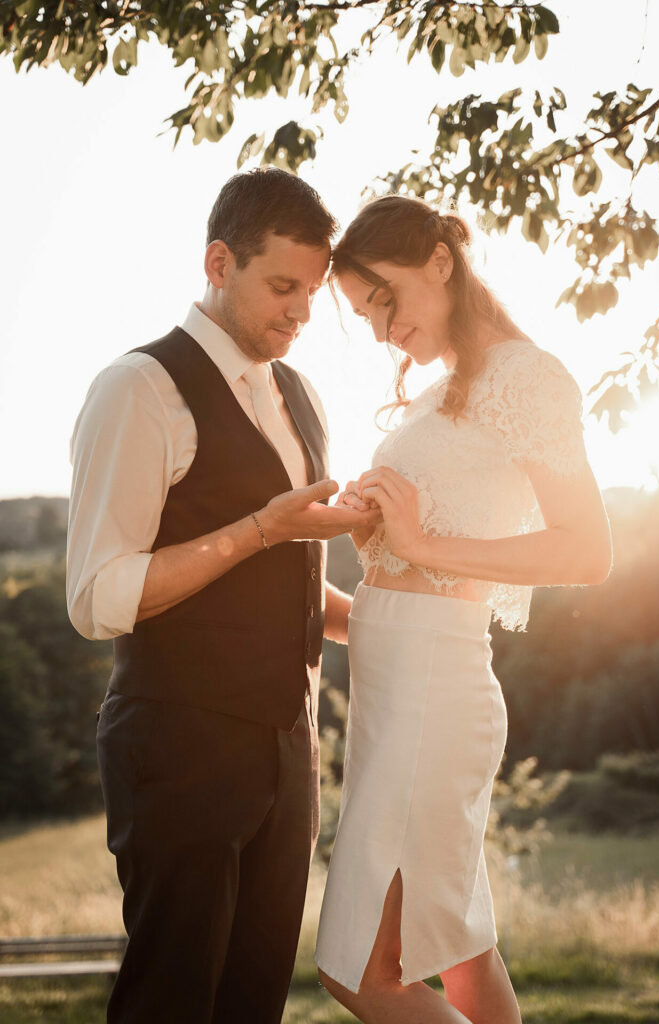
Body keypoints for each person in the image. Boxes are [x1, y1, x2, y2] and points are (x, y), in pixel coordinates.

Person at [66, 167, 377, 1024]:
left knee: (253, 1003)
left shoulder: (301, 398)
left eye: (312, 295)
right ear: (217, 262)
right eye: (282, 286)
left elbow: (293, 585)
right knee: (172, 1000)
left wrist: (398, 624)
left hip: (289, 751)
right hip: (178, 746)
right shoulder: (139, 389)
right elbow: (99, 598)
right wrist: (259, 529)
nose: (300, 313)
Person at [314, 195, 613, 1023]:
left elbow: (586, 551)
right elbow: (399, 597)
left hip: (433, 701)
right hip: (396, 697)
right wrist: (315, 582)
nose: (380, 330)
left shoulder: (525, 376)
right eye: (364, 315)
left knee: (360, 971)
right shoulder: (439, 395)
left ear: (439, 262)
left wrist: (416, 538)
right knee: (459, 955)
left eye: (384, 300)